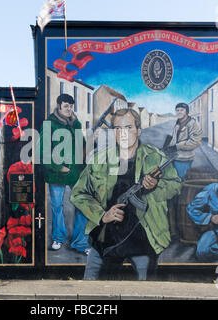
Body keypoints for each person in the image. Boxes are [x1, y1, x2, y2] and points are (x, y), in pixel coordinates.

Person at [71, 108, 181, 280]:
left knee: (146, 290)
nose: (123, 133)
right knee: (91, 288)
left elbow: (175, 186)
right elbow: (78, 193)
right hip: (105, 238)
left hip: (145, 236)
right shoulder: (100, 159)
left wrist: (155, 186)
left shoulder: (155, 157)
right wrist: (102, 215)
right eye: (118, 128)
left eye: (128, 127)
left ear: (139, 130)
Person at [38, 93, 90, 255]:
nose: (69, 109)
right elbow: (42, 151)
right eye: (66, 106)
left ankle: (80, 242)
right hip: (57, 174)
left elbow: (82, 146)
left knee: (81, 204)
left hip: (76, 172)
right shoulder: (49, 124)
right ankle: (58, 238)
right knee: (57, 206)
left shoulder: (75, 124)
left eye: (71, 106)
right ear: (59, 106)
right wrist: (57, 166)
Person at [163, 103, 202, 179]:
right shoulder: (178, 123)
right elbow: (174, 139)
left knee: (181, 180)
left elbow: (195, 142)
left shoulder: (193, 124)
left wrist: (177, 147)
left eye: (182, 110)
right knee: (173, 180)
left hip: (184, 159)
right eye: (177, 110)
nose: (179, 112)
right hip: (174, 157)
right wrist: (167, 148)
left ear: (187, 111)